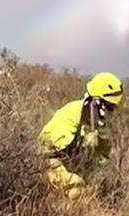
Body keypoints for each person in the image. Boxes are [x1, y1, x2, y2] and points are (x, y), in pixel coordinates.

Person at [37, 72, 123, 200]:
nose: (111, 111)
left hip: (76, 161)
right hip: (51, 159)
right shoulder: (70, 114)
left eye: (113, 107)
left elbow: (103, 153)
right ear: (96, 101)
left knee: (94, 187)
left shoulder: (99, 123)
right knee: (77, 190)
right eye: (109, 106)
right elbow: (50, 150)